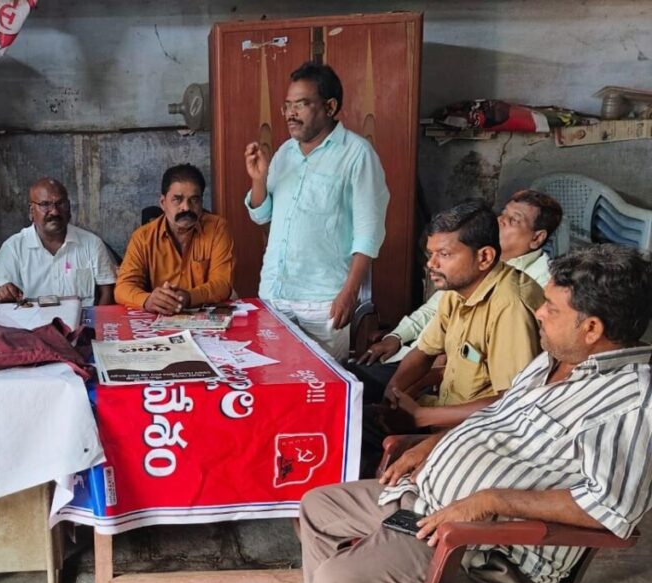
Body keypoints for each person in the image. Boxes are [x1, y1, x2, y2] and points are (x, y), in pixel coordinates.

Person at [247, 243, 652, 583]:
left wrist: (488, 501)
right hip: (429, 500)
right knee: (318, 507)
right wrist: (432, 443)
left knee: (339, 580)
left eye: (551, 308)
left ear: (592, 328)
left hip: (489, 551)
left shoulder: (633, 402)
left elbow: (611, 511)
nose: (539, 313)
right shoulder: (556, 359)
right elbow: (498, 415)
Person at [353, 189, 563, 400]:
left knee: (355, 398)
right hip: (438, 382)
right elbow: (427, 344)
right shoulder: (463, 279)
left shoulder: (521, 295)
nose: (501, 221)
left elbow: (510, 399)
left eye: (513, 220)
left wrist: (420, 414)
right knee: (350, 387)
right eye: (503, 213)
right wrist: (394, 385)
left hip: (472, 415)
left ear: (537, 238)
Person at [245, 61, 389, 360]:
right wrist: (258, 180)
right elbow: (261, 214)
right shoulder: (285, 152)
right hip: (274, 292)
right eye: (287, 105)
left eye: (302, 104)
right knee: (272, 381)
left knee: (318, 391)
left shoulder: (357, 154)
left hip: (323, 301)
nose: (291, 114)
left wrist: (349, 294)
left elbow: (369, 233)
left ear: (330, 106)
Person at [380, 201, 545, 433]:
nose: (431, 264)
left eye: (444, 254)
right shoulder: (457, 290)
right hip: (442, 413)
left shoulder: (510, 306)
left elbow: (513, 400)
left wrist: (421, 416)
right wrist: (394, 390)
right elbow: (425, 351)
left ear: (485, 257)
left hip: (476, 433)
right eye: (431, 254)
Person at [115, 164, 234, 313]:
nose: (186, 208)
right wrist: (147, 300)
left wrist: (189, 297)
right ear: (163, 203)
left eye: (194, 200)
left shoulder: (217, 229)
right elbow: (123, 287)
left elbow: (222, 284)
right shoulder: (143, 237)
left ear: (201, 202)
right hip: (160, 316)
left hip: (204, 314)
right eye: (177, 200)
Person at [0, 178, 117, 306]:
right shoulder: (13, 247)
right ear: (32, 211)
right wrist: (2, 292)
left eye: (61, 204)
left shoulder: (92, 244)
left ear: (69, 208)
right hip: (31, 324)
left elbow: (107, 293)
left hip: (82, 324)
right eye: (45, 204)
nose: (54, 211)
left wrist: (95, 324)